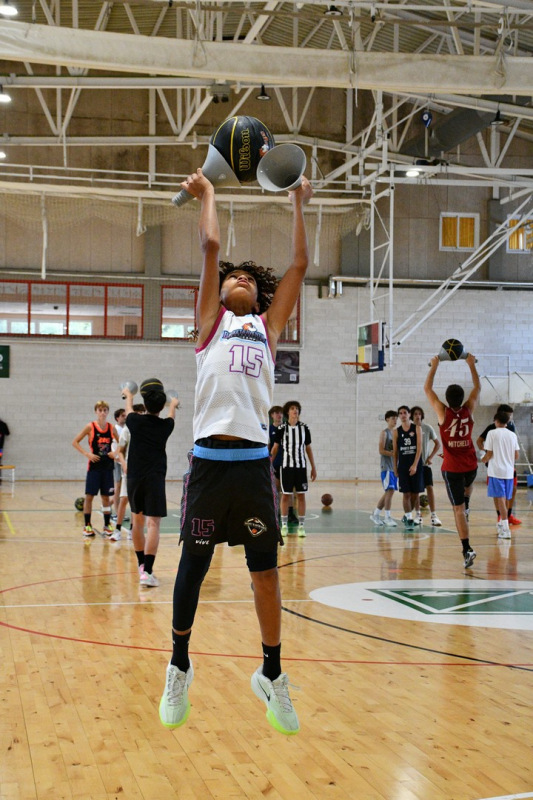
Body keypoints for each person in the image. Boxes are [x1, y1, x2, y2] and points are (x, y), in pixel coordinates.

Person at [159, 167, 313, 736]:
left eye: (249, 277)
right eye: (233, 277)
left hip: (252, 468)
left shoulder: (268, 329)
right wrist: (208, 191)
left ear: (259, 295)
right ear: (220, 292)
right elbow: (211, 245)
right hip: (208, 465)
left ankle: (272, 673)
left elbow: (299, 265)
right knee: (193, 569)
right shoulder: (210, 324)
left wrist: (298, 201)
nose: (241, 278)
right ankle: (179, 665)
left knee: (265, 575)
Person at [424, 353, 481, 569]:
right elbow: (477, 387)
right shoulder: (469, 408)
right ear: (462, 397)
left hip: (453, 469)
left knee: (458, 510)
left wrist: (435, 365)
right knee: (468, 484)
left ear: (446, 399)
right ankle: (467, 501)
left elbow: (428, 389)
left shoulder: (442, 412)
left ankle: (467, 549)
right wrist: (471, 364)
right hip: (471, 466)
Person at [121, 381, 178, 586]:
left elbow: (129, 408)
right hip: (154, 478)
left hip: (134, 478)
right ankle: (148, 571)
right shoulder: (166, 426)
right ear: (161, 406)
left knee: (137, 521)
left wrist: (128, 394)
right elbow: (171, 415)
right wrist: (173, 403)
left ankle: (141, 565)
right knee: (153, 523)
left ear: (144, 405)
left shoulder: (134, 421)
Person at [270, 400, 317, 538]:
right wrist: (269, 465)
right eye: (292, 408)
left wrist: (313, 467)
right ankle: (284, 526)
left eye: (296, 408)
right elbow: (275, 448)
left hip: (301, 467)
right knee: (285, 495)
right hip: (286, 467)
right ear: (287, 412)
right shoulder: (281, 429)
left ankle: (301, 526)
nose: (295, 410)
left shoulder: (304, 428)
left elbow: (308, 448)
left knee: (301, 495)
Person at [72, 401, 118, 537]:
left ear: (108, 412)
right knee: (89, 497)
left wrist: (115, 453)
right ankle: (87, 525)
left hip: (107, 467)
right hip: (94, 467)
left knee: (106, 497)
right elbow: (75, 442)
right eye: (100, 410)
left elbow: (122, 442)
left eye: (105, 410)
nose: (102, 413)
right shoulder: (90, 427)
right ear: (96, 412)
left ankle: (107, 525)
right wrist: (87, 454)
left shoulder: (111, 428)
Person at [476, 404, 521, 526]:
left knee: (506, 493)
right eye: (509, 415)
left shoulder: (510, 429)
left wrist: (484, 458)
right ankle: (501, 517)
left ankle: (506, 518)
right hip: (500, 467)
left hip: (504, 467)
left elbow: (491, 453)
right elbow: (480, 441)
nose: (510, 417)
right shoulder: (491, 430)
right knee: (499, 495)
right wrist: (484, 453)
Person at [112, 403, 146, 542]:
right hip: (129, 470)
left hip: (142, 471)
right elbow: (120, 451)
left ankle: (132, 530)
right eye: (139, 413)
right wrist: (124, 464)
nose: (141, 416)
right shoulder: (127, 429)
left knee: (136, 502)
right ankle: (117, 530)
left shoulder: (145, 429)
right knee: (124, 499)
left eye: (143, 413)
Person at [392, 405, 423, 530]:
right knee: (406, 493)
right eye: (400, 413)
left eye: (405, 412)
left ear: (409, 414)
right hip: (403, 466)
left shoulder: (417, 428)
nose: (403, 415)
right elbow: (395, 452)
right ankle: (409, 518)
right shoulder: (396, 431)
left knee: (415, 493)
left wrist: (415, 465)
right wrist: (395, 467)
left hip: (416, 465)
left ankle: (408, 515)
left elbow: (419, 448)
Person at [410, 406, 442, 527]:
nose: (417, 416)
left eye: (419, 414)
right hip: (414, 465)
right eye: (415, 414)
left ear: (422, 415)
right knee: (416, 491)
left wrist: (430, 457)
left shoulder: (427, 428)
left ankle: (434, 515)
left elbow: (438, 444)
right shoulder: (409, 429)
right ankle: (418, 515)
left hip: (425, 465)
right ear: (412, 416)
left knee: (430, 488)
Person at [370, 410, 398, 527]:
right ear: (387, 419)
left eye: (396, 418)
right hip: (386, 466)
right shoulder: (384, 433)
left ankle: (376, 514)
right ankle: (387, 517)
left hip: (394, 467)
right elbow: (381, 450)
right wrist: (394, 454)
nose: (395, 420)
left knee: (389, 492)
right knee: (390, 491)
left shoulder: (396, 433)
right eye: (393, 418)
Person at [111, 408, 127, 520]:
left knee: (122, 487)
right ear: (117, 418)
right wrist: (116, 457)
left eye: (125, 415)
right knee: (117, 486)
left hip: (124, 461)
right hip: (117, 461)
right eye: (122, 416)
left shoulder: (126, 429)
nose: (125, 417)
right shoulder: (115, 429)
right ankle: (117, 513)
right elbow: (115, 445)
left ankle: (111, 506)